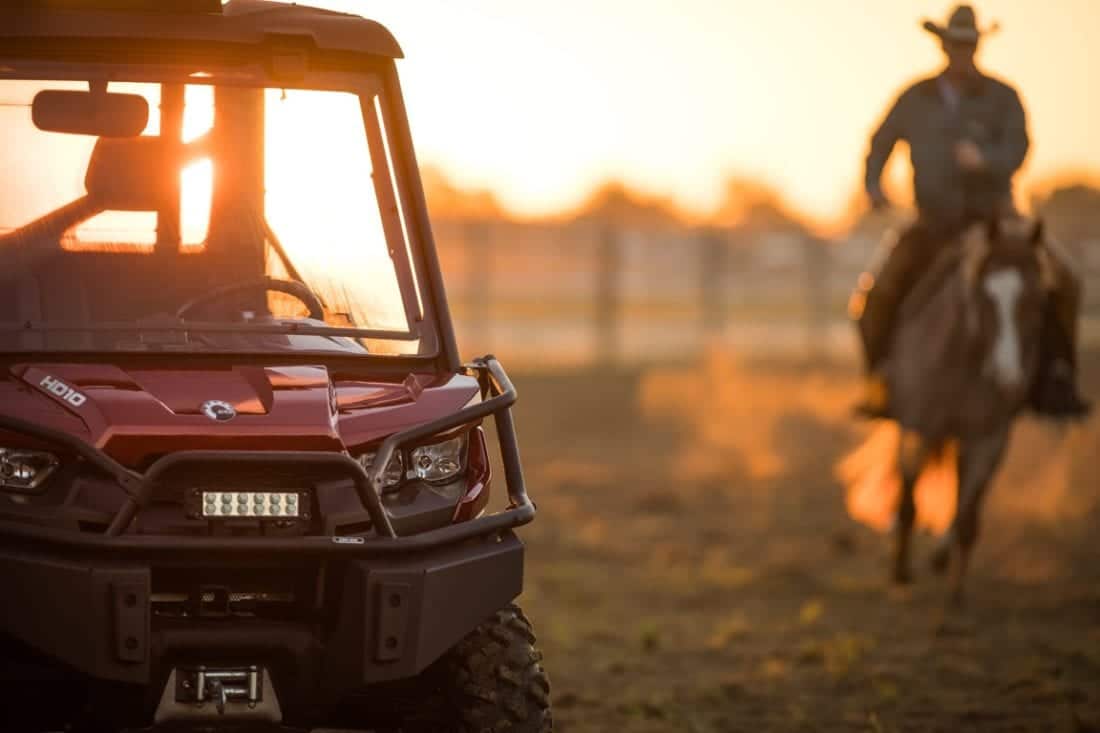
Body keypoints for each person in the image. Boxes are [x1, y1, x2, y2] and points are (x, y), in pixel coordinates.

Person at [851, 3, 1090, 419]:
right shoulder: (915, 98)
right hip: (933, 222)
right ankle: (879, 382)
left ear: (977, 46)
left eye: (969, 44)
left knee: (1065, 281)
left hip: (997, 222)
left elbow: (1020, 148)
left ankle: (1056, 377)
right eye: (955, 44)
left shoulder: (1002, 98)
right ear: (942, 45)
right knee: (875, 297)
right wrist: (874, 184)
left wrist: (987, 161)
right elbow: (881, 140)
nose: (962, 52)